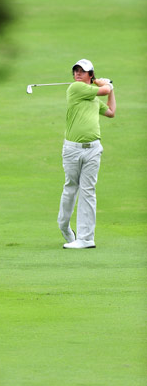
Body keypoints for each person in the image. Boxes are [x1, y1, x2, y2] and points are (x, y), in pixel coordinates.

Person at [58, 59, 116, 249]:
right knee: (70, 188)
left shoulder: (93, 98)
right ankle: (64, 226)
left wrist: (111, 89)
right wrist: (105, 84)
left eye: (82, 71)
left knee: (88, 191)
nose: (77, 74)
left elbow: (110, 112)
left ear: (90, 75)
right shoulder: (75, 88)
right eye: (76, 71)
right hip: (72, 150)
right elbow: (104, 89)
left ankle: (86, 238)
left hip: (93, 149)